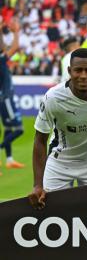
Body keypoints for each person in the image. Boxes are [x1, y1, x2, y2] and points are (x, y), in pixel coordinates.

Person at [28, 48, 87, 209]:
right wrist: (37, 184)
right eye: (78, 70)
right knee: (50, 213)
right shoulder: (53, 97)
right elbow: (40, 140)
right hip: (60, 163)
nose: (83, 75)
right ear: (69, 71)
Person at [0, 18, 25, 172]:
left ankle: (9, 160)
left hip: (4, 97)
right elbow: (14, 47)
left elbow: (3, 47)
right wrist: (16, 32)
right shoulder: (1, 59)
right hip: (5, 98)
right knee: (18, 129)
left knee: (8, 129)